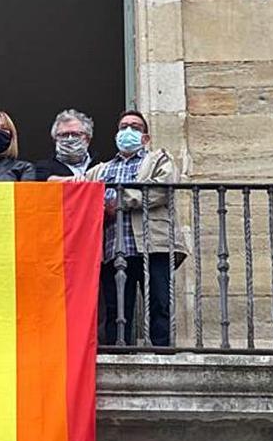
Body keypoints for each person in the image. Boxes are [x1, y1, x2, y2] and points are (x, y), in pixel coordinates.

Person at [87, 110, 188, 347]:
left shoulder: (158, 160)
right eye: (123, 127)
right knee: (117, 308)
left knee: (159, 302)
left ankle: (162, 352)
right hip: (114, 247)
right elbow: (80, 192)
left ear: (145, 137)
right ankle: (117, 352)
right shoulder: (100, 169)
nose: (128, 131)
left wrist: (118, 201)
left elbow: (162, 189)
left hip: (154, 244)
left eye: (135, 127)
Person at [35, 108, 95, 181]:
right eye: (64, 135)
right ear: (55, 139)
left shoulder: (101, 166)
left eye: (75, 134)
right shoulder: (43, 168)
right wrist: (72, 181)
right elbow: (45, 182)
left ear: (88, 139)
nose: (70, 139)